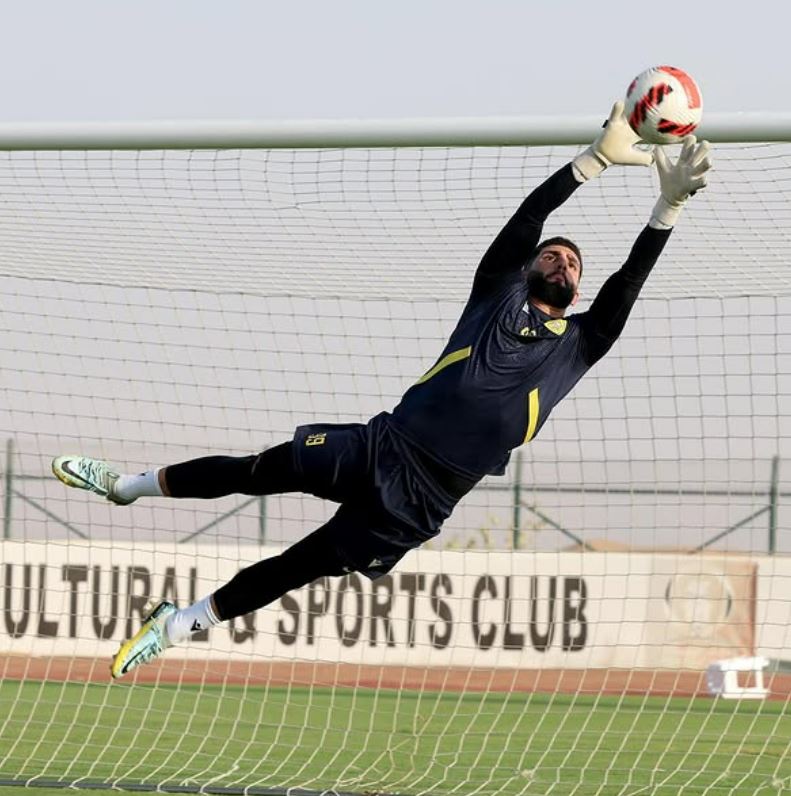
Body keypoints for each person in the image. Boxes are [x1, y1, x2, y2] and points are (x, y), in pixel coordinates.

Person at [52, 102, 711, 678]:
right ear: (527, 268)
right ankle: (125, 486)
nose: (560, 262)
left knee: (298, 566)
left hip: (424, 501)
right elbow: (527, 219)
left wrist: (666, 208)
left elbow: (625, 284)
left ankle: (177, 625)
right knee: (258, 471)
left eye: (572, 263)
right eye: (552, 255)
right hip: (385, 444)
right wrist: (592, 160)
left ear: (576, 287)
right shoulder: (496, 292)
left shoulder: (581, 345)